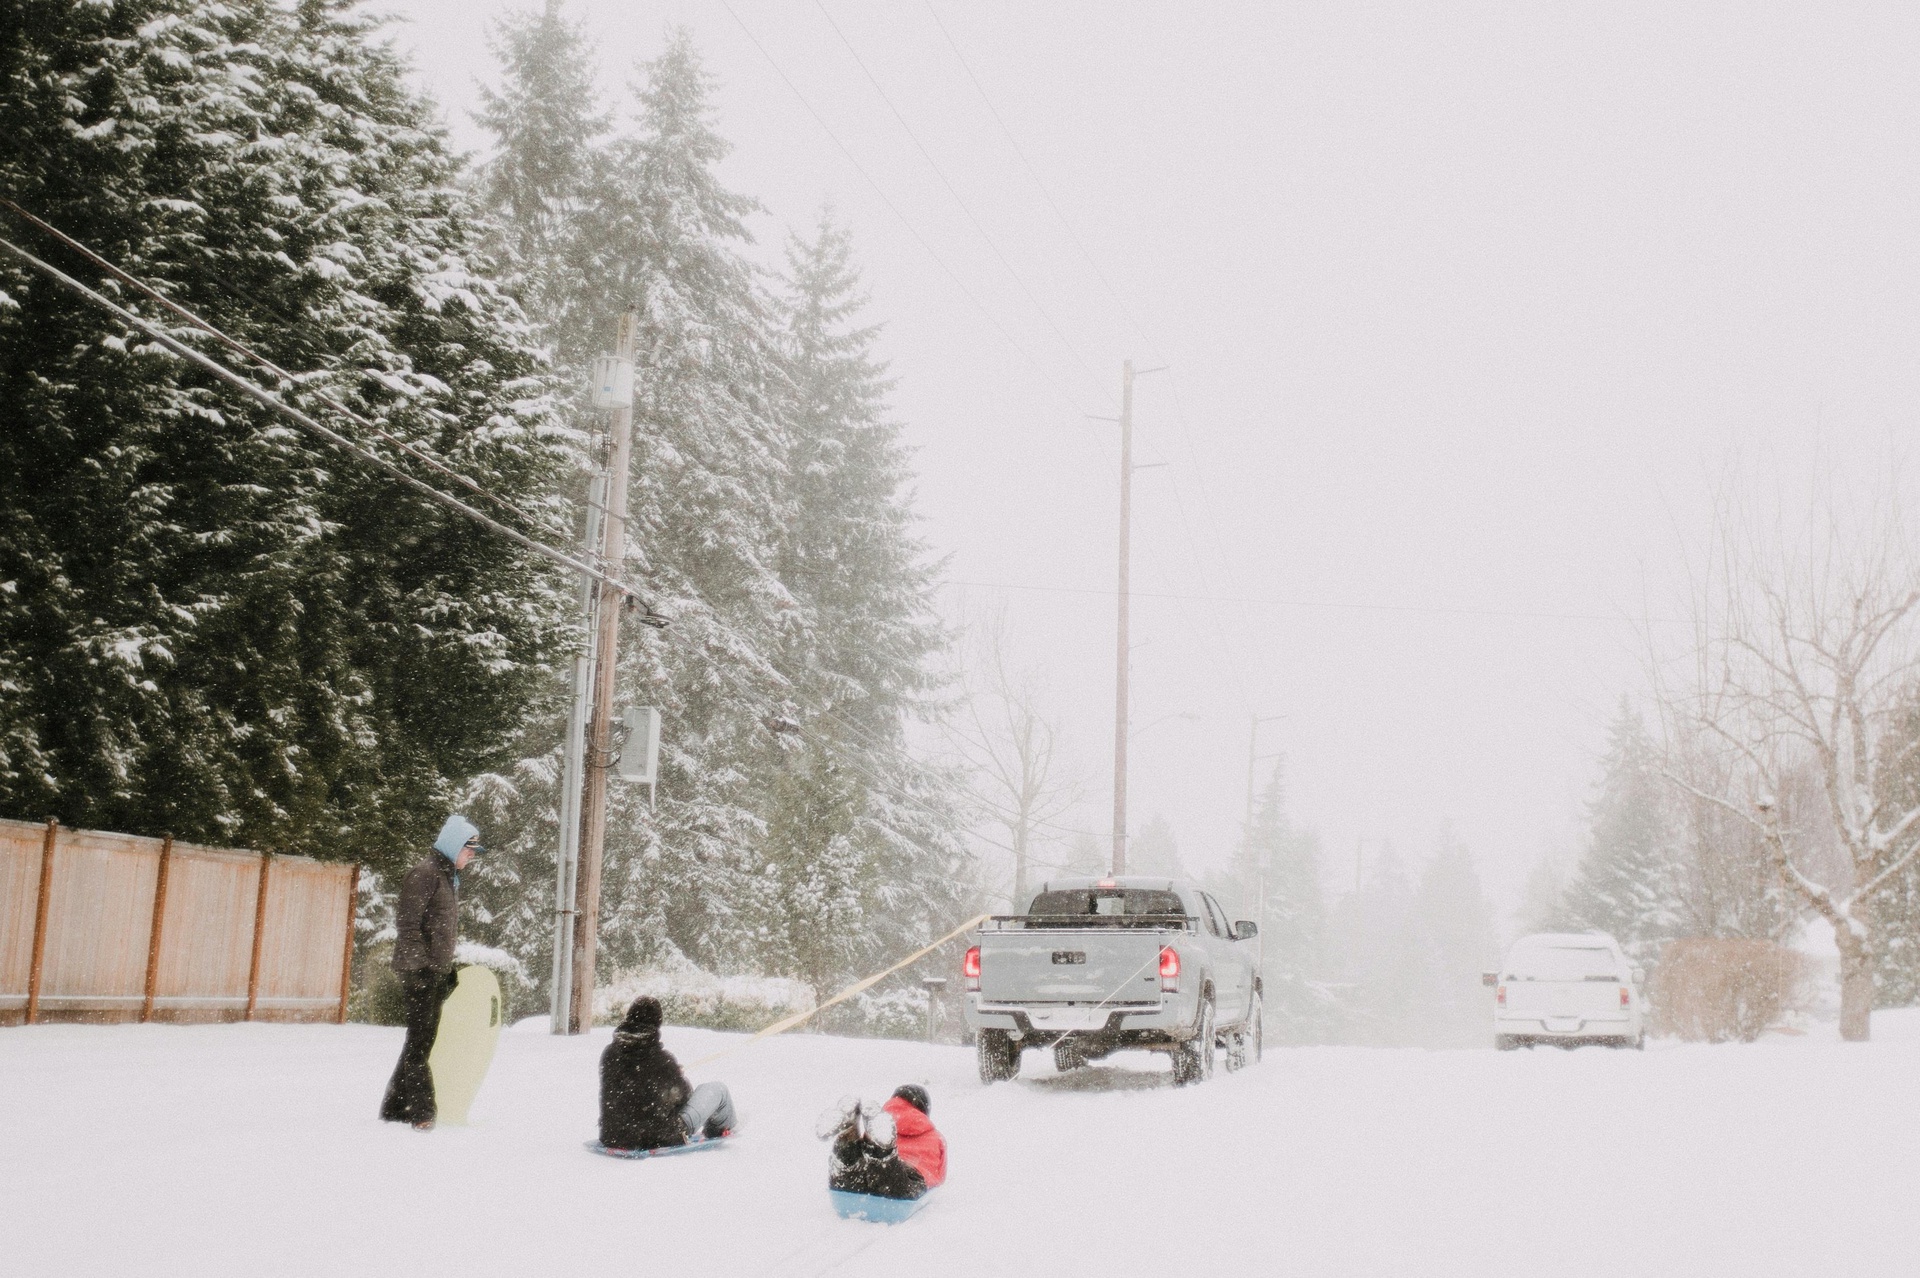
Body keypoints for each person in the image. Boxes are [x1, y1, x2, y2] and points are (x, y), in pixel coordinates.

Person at [379, 813, 482, 1129]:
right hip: (417, 971)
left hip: (432, 970)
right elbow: (408, 925)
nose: (473, 856)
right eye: (470, 849)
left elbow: (439, 930)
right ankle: (422, 1112)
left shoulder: (447, 877)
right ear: (454, 846)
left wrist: (444, 968)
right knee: (421, 1041)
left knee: (419, 1038)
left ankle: (395, 1107)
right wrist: (423, 968)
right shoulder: (424, 874)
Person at [599, 996, 737, 1151]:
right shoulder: (662, 1060)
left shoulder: (609, 1054)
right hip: (661, 1137)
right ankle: (723, 1129)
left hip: (614, 1136)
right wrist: (675, 1075)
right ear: (657, 1023)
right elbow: (685, 1096)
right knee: (717, 1090)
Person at [818, 1084, 947, 1199]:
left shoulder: (880, 1123)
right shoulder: (935, 1137)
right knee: (890, 1181)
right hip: (909, 1175)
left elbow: (863, 1151)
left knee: (849, 1176)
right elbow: (940, 1175)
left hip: (867, 1170)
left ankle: (848, 1135)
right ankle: (883, 1153)